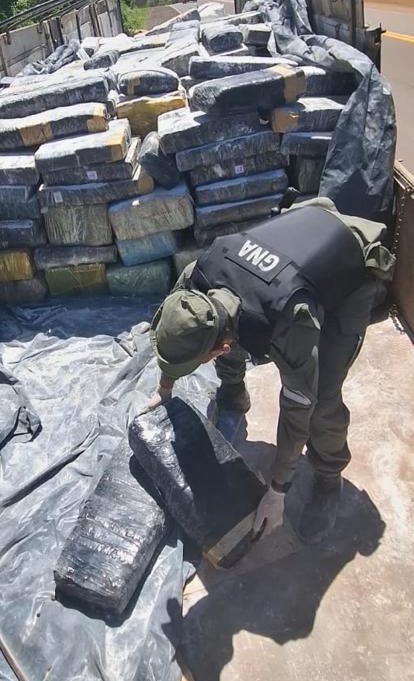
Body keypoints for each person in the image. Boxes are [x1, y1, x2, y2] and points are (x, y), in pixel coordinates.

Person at [148, 197, 394, 541]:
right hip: (305, 230)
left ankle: (328, 473)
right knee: (228, 327)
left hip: (350, 267)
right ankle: (233, 392)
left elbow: (298, 407)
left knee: (322, 400)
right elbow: (175, 336)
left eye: (216, 351)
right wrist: (164, 389)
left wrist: (278, 491)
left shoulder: (290, 319)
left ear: (220, 348)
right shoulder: (199, 275)